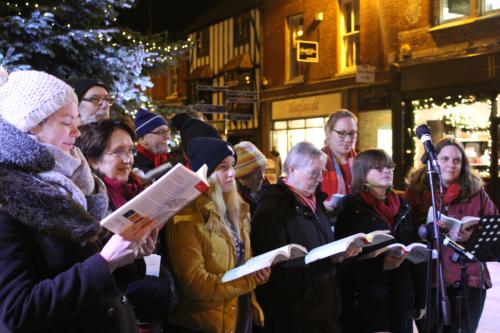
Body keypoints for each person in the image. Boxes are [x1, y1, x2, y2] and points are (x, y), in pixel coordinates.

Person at [0, 69, 156, 332]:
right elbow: (16, 312)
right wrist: (104, 262)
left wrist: (130, 255)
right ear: (31, 124)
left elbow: (89, 269)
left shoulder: (76, 181)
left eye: (75, 120)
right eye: (65, 122)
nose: (76, 131)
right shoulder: (8, 194)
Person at [76, 118, 178, 331]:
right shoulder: (90, 200)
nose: (128, 159)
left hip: (145, 311)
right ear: (94, 160)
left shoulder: (136, 189)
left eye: (131, 151)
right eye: (118, 152)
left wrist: (142, 255)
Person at [251, 141, 359, 333]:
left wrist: (339, 257)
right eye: (313, 172)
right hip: (294, 316)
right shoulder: (272, 208)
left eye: (323, 172)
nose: (319, 178)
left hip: (325, 312)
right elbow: (270, 271)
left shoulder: (317, 204)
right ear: (292, 169)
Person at [166, 136, 269, 333]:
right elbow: (195, 284)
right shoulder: (186, 216)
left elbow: (242, 262)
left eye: (232, 166)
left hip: (239, 316)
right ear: (206, 172)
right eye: (222, 167)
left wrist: (259, 271)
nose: (231, 173)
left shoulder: (236, 210)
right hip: (204, 324)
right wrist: (249, 281)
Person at [405, 137, 499, 333]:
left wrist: (471, 235)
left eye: (457, 160)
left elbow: (494, 225)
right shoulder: (417, 191)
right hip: (430, 278)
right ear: (434, 161)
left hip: (469, 277)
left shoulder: (475, 191)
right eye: (445, 159)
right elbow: (406, 232)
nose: (451, 165)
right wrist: (426, 231)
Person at [334, 149, 425, 333]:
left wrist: (420, 299)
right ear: (362, 174)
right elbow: (344, 263)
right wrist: (380, 265)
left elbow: (415, 255)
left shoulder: (403, 206)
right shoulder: (351, 209)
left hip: (402, 296)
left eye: (389, 166)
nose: (387, 171)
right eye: (378, 167)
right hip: (368, 299)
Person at [321, 109, 358, 210]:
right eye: (342, 133)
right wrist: (322, 207)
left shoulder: (363, 164)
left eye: (352, 133)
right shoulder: (314, 164)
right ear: (328, 132)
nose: (348, 140)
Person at [133, 108, 171, 179]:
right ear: (142, 139)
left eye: (167, 131)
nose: (168, 137)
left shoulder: (170, 159)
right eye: (161, 132)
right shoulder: (134, 168)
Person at [234, 141, 268, 216]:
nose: (262, 177)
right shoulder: (234, 203)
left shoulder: (266, 193)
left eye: (263, 171)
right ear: (242, 176)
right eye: (256, 173)